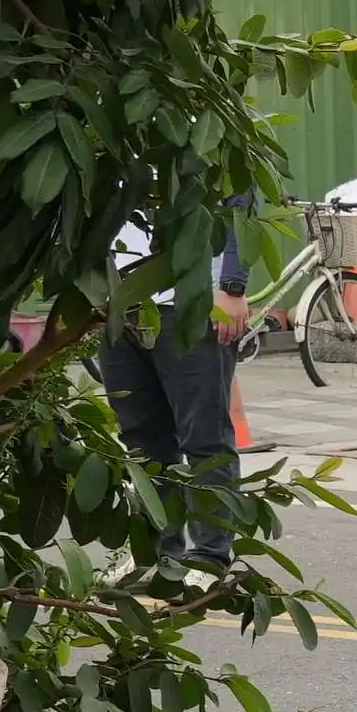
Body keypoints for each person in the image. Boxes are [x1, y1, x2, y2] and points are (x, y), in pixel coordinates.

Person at [98, 218, 248, 569]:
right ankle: (156, 554)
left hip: (192, 302)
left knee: (204, 438)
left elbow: (240, 206)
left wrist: (232, 286)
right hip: (117, 302)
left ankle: (209, 557)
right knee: (142, 440)